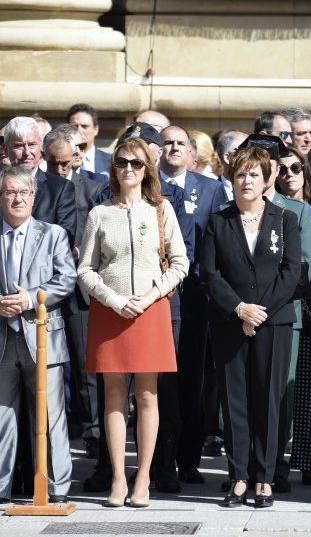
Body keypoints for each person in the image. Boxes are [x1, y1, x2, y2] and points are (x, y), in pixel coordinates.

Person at [77, 137, 189, 508]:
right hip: (110, 311)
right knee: (112, 396)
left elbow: (180, 262)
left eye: (137, 163)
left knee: (147, 395)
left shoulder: (161, 211)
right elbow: (86, 269)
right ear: (114, 168)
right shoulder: (99, 213)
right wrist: (112, 299)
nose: (129, 169)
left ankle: (143, 477)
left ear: (147, 169)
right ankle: (118, 478)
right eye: (122, 162)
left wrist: (153, 293)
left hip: (150, 309)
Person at [0, 165, 76, 507]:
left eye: (24, 193)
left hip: (42, 336)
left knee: (50, 416)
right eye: (9, 192)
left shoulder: (53, 234)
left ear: (34, 197)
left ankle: (57, 486)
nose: (17, 198)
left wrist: (31, 297)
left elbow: (66, 279)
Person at [200, 146, 301, 508]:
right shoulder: (218, 220)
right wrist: (239, 309)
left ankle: (264, 477)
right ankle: (238, 476)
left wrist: (259, 312)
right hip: (230, 322)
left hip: (273, 323)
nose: (247, 181)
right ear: (232, 179)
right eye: (241, 174)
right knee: (236, 401)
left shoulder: (285, 218)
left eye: (254, 175)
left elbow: (293, 272)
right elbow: (209, 274)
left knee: (268, 401)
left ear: (266, 179)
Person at [235, 134, 311, 495]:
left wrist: (262, 310)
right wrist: (243, 310)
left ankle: (274, 464)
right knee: (242, 393)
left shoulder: (294, 211)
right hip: (239, 316)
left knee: (277, 393)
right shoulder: (231, 206)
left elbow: (302, 270)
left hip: (281, 316)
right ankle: (243, 465)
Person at [154, 125, 227, 490]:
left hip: (196, 298)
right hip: (154, 298)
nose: (173, 148)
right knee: (157, 382)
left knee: (191, 380)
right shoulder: (146, 187)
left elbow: (216, 244)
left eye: (180, 143)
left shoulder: (211, 189)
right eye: (167, 142)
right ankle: (158, 460)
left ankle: (188, 459)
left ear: (192, 154)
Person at [43, 126, 104, 459]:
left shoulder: (93, 190)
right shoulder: (38, 190)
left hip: (81, 290)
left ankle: (95, 432)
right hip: (47, 289)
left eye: (66, 163)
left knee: (86, 365)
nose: (62, 170)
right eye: (55, 164)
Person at [275, 145, 311, 486]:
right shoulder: (271, 210)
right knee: (280, 387)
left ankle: (310, 458)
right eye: (282, 170)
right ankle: (274, 458)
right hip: (284, 303)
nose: (289, 175)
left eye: (295, 168)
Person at [0, 116, 77, 245]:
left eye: (32, 144)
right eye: (19, 146)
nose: (27, 152)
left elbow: (64, 241)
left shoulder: (60, 189)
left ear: (41, 147)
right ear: (6, 149)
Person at [67, 103, 111, 180]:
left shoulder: (110, 162)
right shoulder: (60, 161)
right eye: (74, 126)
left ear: (96, 129)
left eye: (84, 126)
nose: (79, 130)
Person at [215, 129, 248, 201]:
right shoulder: (209, 192)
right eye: (244, 152)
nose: (250, 157)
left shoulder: (257, 190)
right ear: (227, 158)